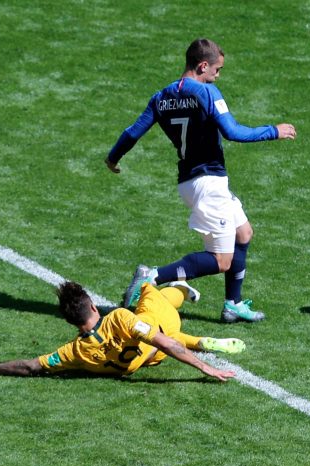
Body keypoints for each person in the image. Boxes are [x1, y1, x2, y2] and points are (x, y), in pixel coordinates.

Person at [105, 37, 297, 323]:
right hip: (209, 185)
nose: (218, 75)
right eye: (216, 70)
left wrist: (113, 157)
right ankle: (152, 276)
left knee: (243, 233)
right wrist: (274, 131)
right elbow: (233, 132)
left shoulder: (161, 98)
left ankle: (233, 303)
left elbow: (133, 132)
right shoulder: (208, 93)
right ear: (203, 66)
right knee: (221, 260)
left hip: (191, 182)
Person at [0, 280, 242, 381]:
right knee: (152, 293)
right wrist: (206, 368)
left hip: (147, 359)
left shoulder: (73, 352)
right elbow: (165, 342)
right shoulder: (119, 318)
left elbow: (31, 367)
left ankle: (198, 338)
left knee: (157, 328)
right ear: (93, 306)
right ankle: (180, 288)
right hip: (159, 333)